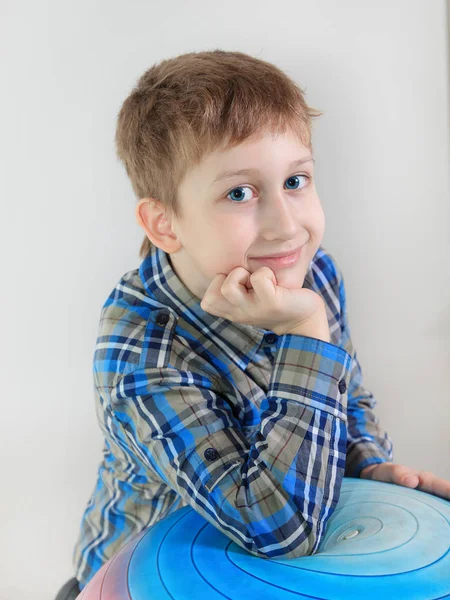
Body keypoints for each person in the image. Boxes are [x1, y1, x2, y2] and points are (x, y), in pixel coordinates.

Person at [54, 49, 450, 599]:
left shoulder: (310, 270)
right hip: (142, 580)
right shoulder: (140, 349)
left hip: (270, 577)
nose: (286, 226)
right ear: (164, 223)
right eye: (239, 193)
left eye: (296, 180)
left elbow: (347, 399)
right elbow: (278, 529)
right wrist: (308, 331)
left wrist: (367, 468)